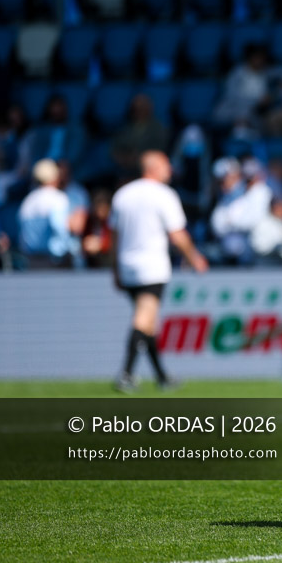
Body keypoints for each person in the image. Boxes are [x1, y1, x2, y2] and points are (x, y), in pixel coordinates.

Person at [110, 151, 208, 393]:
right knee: (143, 320)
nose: (170, 171)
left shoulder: (124, 194)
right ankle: (126, 374)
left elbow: (114, 237)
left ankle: (162, 376)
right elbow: (177, 234)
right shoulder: (164, 195)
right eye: (166, 166)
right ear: (153, 168)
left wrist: (115, 270)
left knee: (149, 325)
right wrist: (194, 258)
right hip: (152, 267)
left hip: (127, 266)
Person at [18, 159, 73, 268]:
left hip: (31, 262)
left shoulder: (27, 201)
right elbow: (59, 229)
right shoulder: (58, 199)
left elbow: (22, 235)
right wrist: (63, 255)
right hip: (53, 262)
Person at [110, 94, 169, 181]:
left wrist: (137, 158)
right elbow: (115, 149)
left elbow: (158, 151)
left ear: (149, 108)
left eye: (143, 107)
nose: (140, 109)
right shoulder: (124, 127)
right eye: (137, 107)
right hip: (123, 170)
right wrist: (123, 159)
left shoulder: (158, 129)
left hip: (148, 171)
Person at [214, 43, 272, 130]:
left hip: (256, 112)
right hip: (234, 108)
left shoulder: (266, 74)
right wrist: (256, 100)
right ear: (250, 58)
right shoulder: (237, 73)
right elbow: (231, 96)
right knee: (240, 112)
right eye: (256, 57)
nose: (259, 61)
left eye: (261, 58)